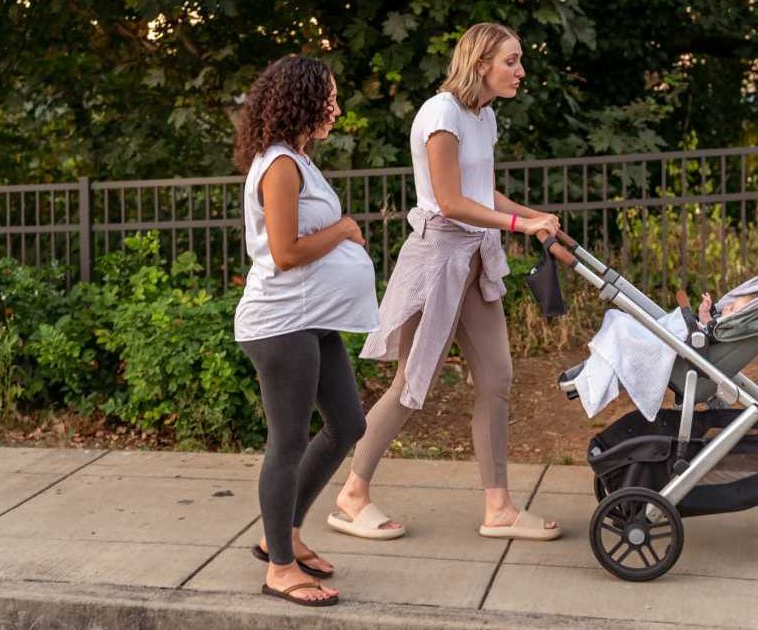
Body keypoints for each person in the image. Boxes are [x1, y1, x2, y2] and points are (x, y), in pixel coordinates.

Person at [328, 23, 562, 542]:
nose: (521, 71)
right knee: (413, 385)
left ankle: (498, 508)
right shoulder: (441, 115)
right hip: (437, 260)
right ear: (481, 64)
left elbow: (484, 192)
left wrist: (536, 216)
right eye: (511, 61)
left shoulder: (484, 117)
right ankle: (352, 495)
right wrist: (523, 227)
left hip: (477, 259)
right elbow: (451, 201)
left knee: (497, 380)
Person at [232, 55, 379, 606]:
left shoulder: (297, 159)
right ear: (301, 101)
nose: (336, 108)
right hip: (281, 323)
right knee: (288, 441)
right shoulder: (279, 166)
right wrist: (343, 229)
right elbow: (287, 252)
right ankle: (280, 568)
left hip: (311, 319)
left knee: (348, 423)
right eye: (329, 98)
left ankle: (283, 538)